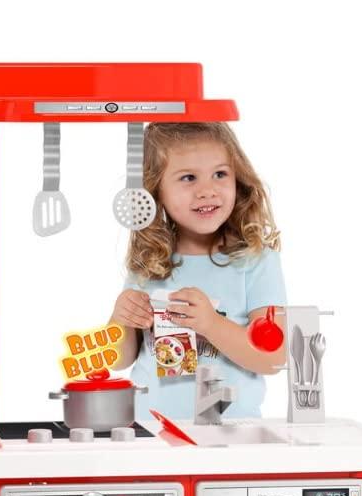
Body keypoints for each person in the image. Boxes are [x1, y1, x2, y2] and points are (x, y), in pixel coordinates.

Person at [109, 122, 287, 420]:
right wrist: (120, 318)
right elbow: (119, 360)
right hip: (149, 428)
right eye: (188, 177)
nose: (207, 191)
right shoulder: (150, 260)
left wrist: (210, 324)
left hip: (232, 430)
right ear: (156, 191)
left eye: (220, 174)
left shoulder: (256, 261)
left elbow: (273, 358)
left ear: (238, 178)